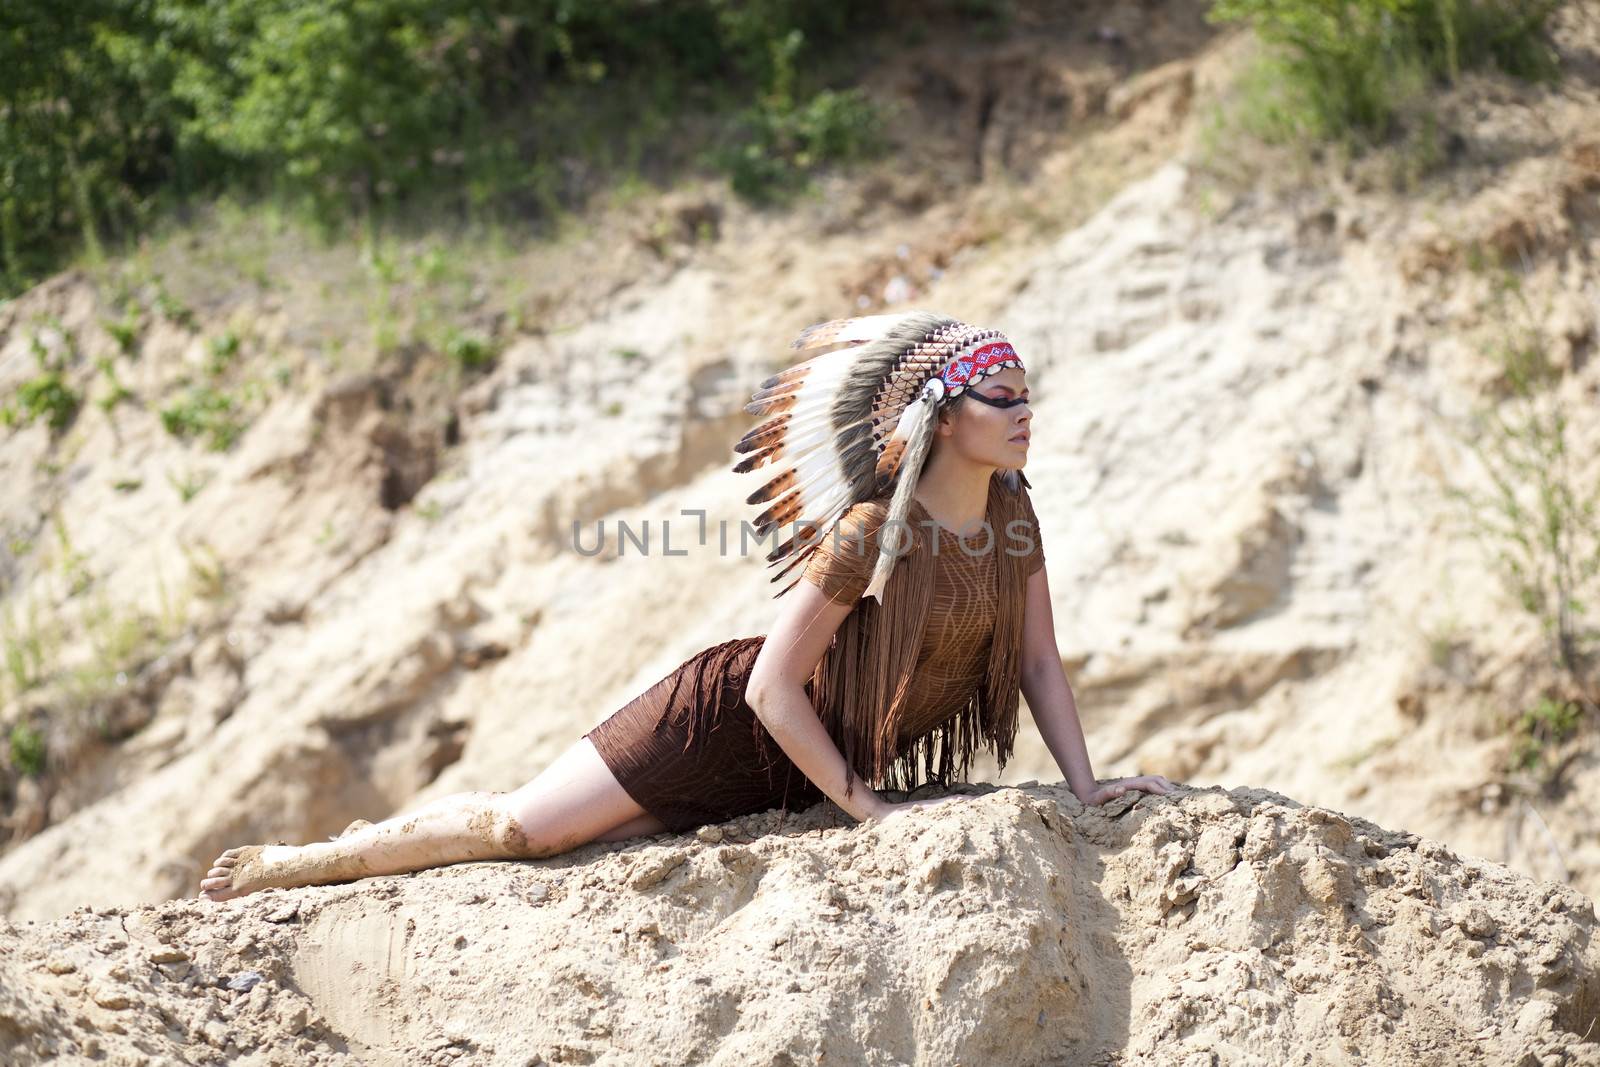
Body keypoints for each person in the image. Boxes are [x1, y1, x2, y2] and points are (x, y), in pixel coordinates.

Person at [199, 311, 1173, 902]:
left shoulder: (1012, 514)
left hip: (800, 774)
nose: (1022, 412)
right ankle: (305, 864)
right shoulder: (873, 527)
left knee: (605, 842)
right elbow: (767, 685)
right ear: (944, 418)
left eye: (1026, 395)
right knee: (523, 833)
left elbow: (1039, 660)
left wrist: (1085, 785)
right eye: (1000, 397)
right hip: (720, 725)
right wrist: (868, 806)